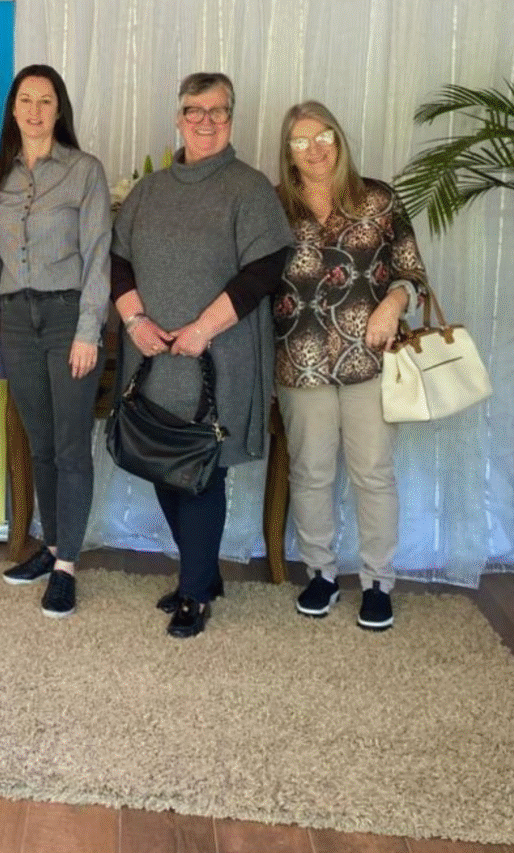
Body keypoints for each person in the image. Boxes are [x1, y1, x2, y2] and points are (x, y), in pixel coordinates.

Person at [110, 72, 292, 638]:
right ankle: (202, 573)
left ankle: (194, 593)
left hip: (219, 356)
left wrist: (202, 329)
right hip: (155, 355)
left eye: (218, 111)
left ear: (231, 118)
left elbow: (266, 269)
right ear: (179, 117)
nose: (206, 120)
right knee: (165, 465)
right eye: (195, 109)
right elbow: (117, 261)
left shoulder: (249, 187)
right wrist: (136, 321)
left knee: (201, 470)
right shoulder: (149, 191)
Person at [274, 101, 425, 631]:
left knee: (373, 475)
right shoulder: (275, 208)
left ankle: (378, 582)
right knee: (311, 474)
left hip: (370, 361)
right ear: (288, 153)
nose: (313, 149)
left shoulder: (379, 199)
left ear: (339, 139)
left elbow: (411, 271)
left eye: (323, 136)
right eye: (299, 141)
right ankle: (320, 574)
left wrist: (394, 302)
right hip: (301, 364)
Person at [0, 65, 111, 618]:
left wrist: (88, 329)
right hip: (17, 318)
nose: (34, 110)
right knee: (42, 441)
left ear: (59, 109)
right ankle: (51, 548)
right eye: (25, 100)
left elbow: (99, 254)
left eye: (45, 100)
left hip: (66, 313)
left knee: (72, 444)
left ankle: (67, 567)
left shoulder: (83, 171)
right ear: (13, 109)